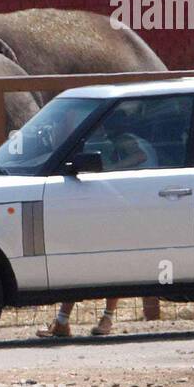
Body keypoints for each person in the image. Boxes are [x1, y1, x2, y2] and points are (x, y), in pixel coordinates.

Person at [37, 111, 158, 338]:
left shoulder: (126, 140)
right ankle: (66, 321)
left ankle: (102, 319)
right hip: (122, 208)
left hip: (124, 211)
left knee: (102, 262)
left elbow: (139, 157)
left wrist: (111, 170)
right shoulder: (126, 141)